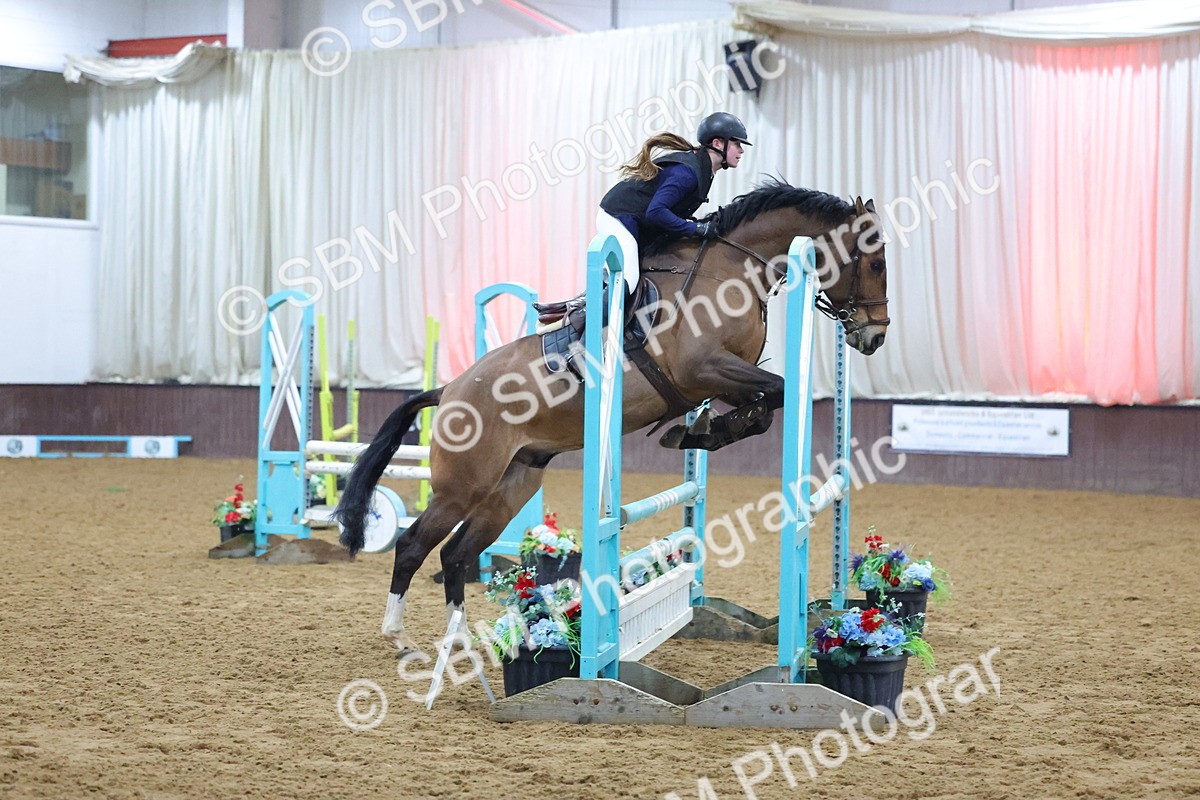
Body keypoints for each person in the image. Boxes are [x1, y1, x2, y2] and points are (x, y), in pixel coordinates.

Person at [598, 111, 751, 298]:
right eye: (737, 143)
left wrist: (697, 226)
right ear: (717, 143)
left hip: (638, 221)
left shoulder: (705, 170)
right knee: (628, 279)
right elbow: (656, 212)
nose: (741, 150)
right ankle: (588, 322)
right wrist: (695, 228)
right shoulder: (687, 173)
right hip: (617, 218)